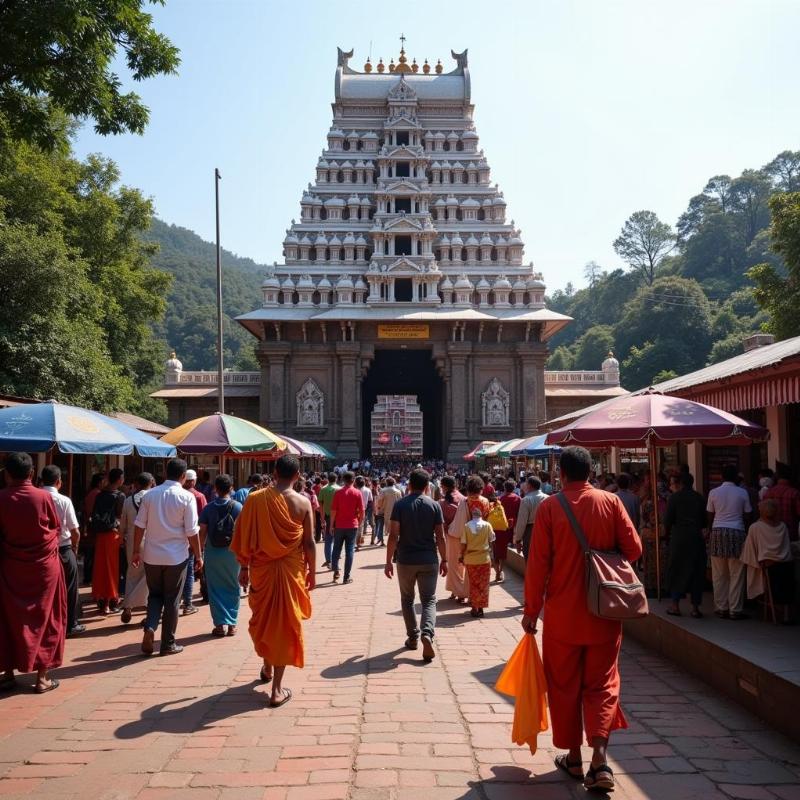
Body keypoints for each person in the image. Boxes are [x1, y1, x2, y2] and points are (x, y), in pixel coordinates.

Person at [522, 446, 641, 793]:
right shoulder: (611, 502)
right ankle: (600, 760)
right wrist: (606, 559)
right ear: (590, 472)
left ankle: (573, 758)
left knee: (563, 685)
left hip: (561, 616)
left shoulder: (550, 508)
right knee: (603, 684)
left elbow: (537, 565)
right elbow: (633, 549)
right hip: (604, 611)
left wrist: (531, 611)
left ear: (561, 474)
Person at [230, 455, 315, 707]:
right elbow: (309, 542)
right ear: (298, 475)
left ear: (274, 472)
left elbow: (243, 534)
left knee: (263, 618)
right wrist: (312, 571)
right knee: (286, 623)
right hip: (291, 571)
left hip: (261, 570)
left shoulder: (255, 499)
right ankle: (277, 688)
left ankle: (267, 664)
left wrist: (244, 566)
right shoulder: (303, 502)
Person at [0, 453, 66, 693]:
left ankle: (6, 673)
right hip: (44, 569)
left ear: (7, 474)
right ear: (31, 474)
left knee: (7, 619)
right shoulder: (43, 497)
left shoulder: (2, 498)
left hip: (10, 568)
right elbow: (55, 529)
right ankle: (42, 677)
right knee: (47, 618)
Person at [131, 458, 203, 656]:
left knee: (155, 595)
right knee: (172, 599)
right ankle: (167, 643)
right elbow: (192, 531)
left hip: (152, 555)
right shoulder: (186, 497)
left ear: (164, 474)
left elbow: (139, 525)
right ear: (183, 476)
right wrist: (198, 555)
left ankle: (150, 627)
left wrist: (136, 550)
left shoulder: (150, 495)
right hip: (176, 557)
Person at [385, 468, 448, 662]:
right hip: (429, 559)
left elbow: (394, 535)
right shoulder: (434, 505)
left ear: (409, 485)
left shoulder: (400, 505)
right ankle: (427, 633)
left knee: (407, 599)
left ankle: (412, 637)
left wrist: (388, 561)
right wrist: (445, 559)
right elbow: (440, 536)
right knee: (429, 600)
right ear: (428, 487)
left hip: (405, 559)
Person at [40, 465, 85, 636]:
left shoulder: (36, 497)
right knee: (71, 588)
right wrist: (74, 548)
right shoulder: (64, 500)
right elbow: (75, 531)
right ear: (59, 482)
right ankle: (70, 623)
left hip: (42, 551)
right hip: (64, 548)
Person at [199, 474, 243, 636]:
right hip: (233, 553)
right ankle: (232, 624)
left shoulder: (208, 508)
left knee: (215, 588)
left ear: (215, 489)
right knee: (233, 585)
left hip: (213, 552)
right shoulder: (238, 507)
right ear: (231, 488)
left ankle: (219, 625)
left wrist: (199, 553)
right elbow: (243, 531)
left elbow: (202, 532)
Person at [707, 464, 752, 620]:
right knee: (737, 573)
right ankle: (735, 609)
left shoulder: (714, 492)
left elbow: (710, 515)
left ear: (721, 476)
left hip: (718, 532)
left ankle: (721, 607)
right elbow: (747, 515)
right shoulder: (742, 493)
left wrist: (710, 531)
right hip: (737, 532)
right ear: (736, 477)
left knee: (719, 574)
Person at [741, 498, 795, 622]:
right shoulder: (783, 526)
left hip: (768, 566)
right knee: (786, 583)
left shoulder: (755, 527)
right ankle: (785, 614)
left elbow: (749, 550)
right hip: (785, 565)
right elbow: (787, 547)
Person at [664, 472, 707, 618]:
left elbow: (668, 520)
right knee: (697, 571)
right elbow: (704, 521)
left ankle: (675, 605)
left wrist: (666, 535)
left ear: (680, 483)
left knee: (677, 570)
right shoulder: (699, 498)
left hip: (679, 538)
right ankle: (695, 607)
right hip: (696, 537)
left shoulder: (674, 498)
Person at [119, 472, 155, 624]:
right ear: (151, 483)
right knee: (150, 577)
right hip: (152, 541)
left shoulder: (128, 501)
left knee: (132, 573)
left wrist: (121, 539)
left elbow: (122, 525)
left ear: (137, 484)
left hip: (133, 542)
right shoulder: (155, 499)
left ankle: (128, 607)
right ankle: (148, 610)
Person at [90, 467, 125, 614]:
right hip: (114, 534)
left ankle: (102, 601)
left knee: (101, 568)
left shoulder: (100, 495)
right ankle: (112, 600)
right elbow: (121, 516)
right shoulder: (120, 496)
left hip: (100, 535)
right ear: (119, 480)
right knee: (114, 569)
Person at [460, 505, 496, 617]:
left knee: (473, 584)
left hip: (471, 559)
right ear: (481, 515)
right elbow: (492, 540)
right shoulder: (487, 525)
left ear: (472, 516)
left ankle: (474, 608)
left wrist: (461, 556)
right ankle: (481, 608)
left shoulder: (467, 526)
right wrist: (493, 556)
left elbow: (463, 544)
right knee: (484, 584)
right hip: (484, 558)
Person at [330, 471, 364, 584]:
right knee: (349, 551)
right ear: (353, 480)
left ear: (343, 480)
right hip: (352, 525)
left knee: (336, 549)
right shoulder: (357, 493)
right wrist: (359, 522)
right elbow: (362, 511)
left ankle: (335, 570)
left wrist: (331, 525)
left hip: (339, 525)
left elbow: (333, 511)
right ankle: (346, 576)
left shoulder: (338, 492)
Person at [181, 470, 207, 616]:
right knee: (190, 572)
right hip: (193, 539)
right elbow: (203, 521)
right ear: (194, 481)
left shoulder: (176, 495)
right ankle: (188, 603)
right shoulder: (199, 496)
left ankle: (178, 600)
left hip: (178, 541)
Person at [439, 475, 468, 602]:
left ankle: (460, 592)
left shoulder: (443, 502)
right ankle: (454, 590)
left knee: (453, 564)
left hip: (452, 536)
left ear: (444, 486)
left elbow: (442, 522)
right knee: (461, 564)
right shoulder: (463, 498)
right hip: (466, 535)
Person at [764, 464, 800, 542]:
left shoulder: (768, 493)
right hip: (790, 536)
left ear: (777, 476)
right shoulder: (794, 493)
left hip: (771, 536)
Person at [514, 476, 547, 561]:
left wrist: (518, 540)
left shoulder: (526, 500)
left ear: (530, 486)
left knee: (530, 559)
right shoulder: (548, 498)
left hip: (530, 532)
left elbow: (522, 522)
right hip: (546, 531)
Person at [81, 473, 104, 585]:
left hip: (89, 527)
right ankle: (90, 578)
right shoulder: (97, 494)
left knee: (89, 554)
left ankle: (87, 577)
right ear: (99, 483)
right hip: (93, 528)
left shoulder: (90, 493)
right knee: (92, 554)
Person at [496, 480, 520, 583]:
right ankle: (501, 570)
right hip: (513, 527)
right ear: (514, 488)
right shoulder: (518, 499)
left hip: (500, 527)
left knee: (498, 551)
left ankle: (497, 572)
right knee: (505, 552)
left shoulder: (499, 499)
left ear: (504, 488)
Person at [318, 472, 340, 568]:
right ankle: (336, 560)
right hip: (339, 518)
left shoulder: (323, 489)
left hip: (327, 517)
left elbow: (321, 506)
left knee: (328, 540)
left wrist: (322, 520)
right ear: (336, 479)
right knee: (337, 540)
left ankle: (329, 560)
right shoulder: (340, 489)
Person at [376, 477, 402, 547]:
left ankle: (381, 541)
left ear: (387, 483)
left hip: (383, 511)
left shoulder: (383, 490)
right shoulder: (398, 491)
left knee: (381, 526)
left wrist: (379, 508)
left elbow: (379, 500)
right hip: (395, 512)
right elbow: (400, 502)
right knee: (394, 527)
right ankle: (395, 541)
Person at [355, 475, 372, 548]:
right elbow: (370, 500)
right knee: (360, 526)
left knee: (354, 526)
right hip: (363, 510)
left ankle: (355, 542)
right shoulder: (368, 490)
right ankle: (358, 542)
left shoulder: (354, 490)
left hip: (354, 510)